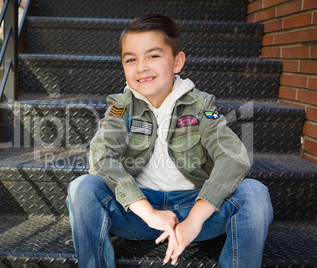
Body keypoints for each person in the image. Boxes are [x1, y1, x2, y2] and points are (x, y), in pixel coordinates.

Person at [66, 14, 273, 268]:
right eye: (131, 59)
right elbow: (101, 156)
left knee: (255, 193)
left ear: (177, 62)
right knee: (82, 188)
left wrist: (194, 220)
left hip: (195, 209)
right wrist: (149, 212)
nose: (141, 66)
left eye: (153, 56)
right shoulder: (121, 107)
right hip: (138, 212)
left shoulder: (201, 105)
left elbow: (233, 157)